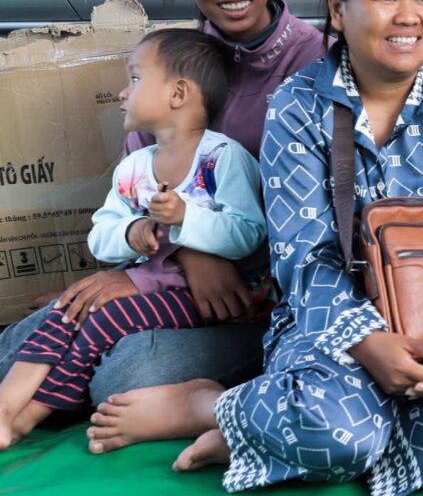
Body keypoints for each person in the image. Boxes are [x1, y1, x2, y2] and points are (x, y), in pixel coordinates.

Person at [80, 0, 423, 496]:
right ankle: (213, 405)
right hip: (331, 327)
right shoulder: (299, 105)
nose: (410, 16)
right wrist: (368, 343)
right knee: (340, 431)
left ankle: (275, 430)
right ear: (338, 9)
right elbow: (303, 257)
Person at [0, 0, 324, 413]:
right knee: (26, 342)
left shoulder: (315, 66)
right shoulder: (166, 63)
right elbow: (137, 189)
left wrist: (185, 262)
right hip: (167, 278)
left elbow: (313, 212)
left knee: (126, 375)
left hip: (262, 299)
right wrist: (178, 259)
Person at [0, 30, 266, 448]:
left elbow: (248, 233)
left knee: (107, 318)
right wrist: (132, 230)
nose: (123, 92)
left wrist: (186, 218)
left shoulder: (222, 158)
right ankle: (6, 406)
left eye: (136, 78)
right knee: (71, 308)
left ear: (179, 93)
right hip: (150, 284)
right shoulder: (135, 167)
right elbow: (101, 235)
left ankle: (29, 415)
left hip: (206, 299)